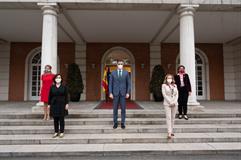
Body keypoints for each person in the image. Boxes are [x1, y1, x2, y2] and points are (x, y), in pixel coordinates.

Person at [109, 59, 131, 129]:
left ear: (123, 65)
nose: (120, 65)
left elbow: (129, 84)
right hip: (115, 93)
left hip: (123, 93)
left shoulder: (126, 73)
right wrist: (110, 93)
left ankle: (122, 123)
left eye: (121, 64)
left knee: (123, 109)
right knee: (115, 109)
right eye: (119, 64)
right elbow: (110, 84)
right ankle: (115, 123)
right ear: (117, 65)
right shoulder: (113, 73)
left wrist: (128, 92)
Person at [48, 74, 69, 138]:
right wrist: (49, 104)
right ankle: (56, 132)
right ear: (54, 79)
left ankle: (62, 132)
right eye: (57, 78)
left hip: (62, 104)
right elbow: (50, 96)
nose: (58, 79)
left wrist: (67, 104)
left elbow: (66, 96)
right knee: (55, 119)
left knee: (61, 118)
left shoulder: (64, 87)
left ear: (61, 79)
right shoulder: (52, 87)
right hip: (54, 104)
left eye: (59, 77)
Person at [162, 74, 178, 139]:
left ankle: (171, 131)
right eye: (168, 78)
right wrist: (170, 102)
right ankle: (169, 132)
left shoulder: (175, 85)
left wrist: (174, 101)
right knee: (168, 117)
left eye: (171, 78)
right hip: (167, 103)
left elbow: (177, 94)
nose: (169, 79)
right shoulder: (164, 85)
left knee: (173, 117)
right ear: (166, 79)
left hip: (175, 103)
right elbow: (164, 94)